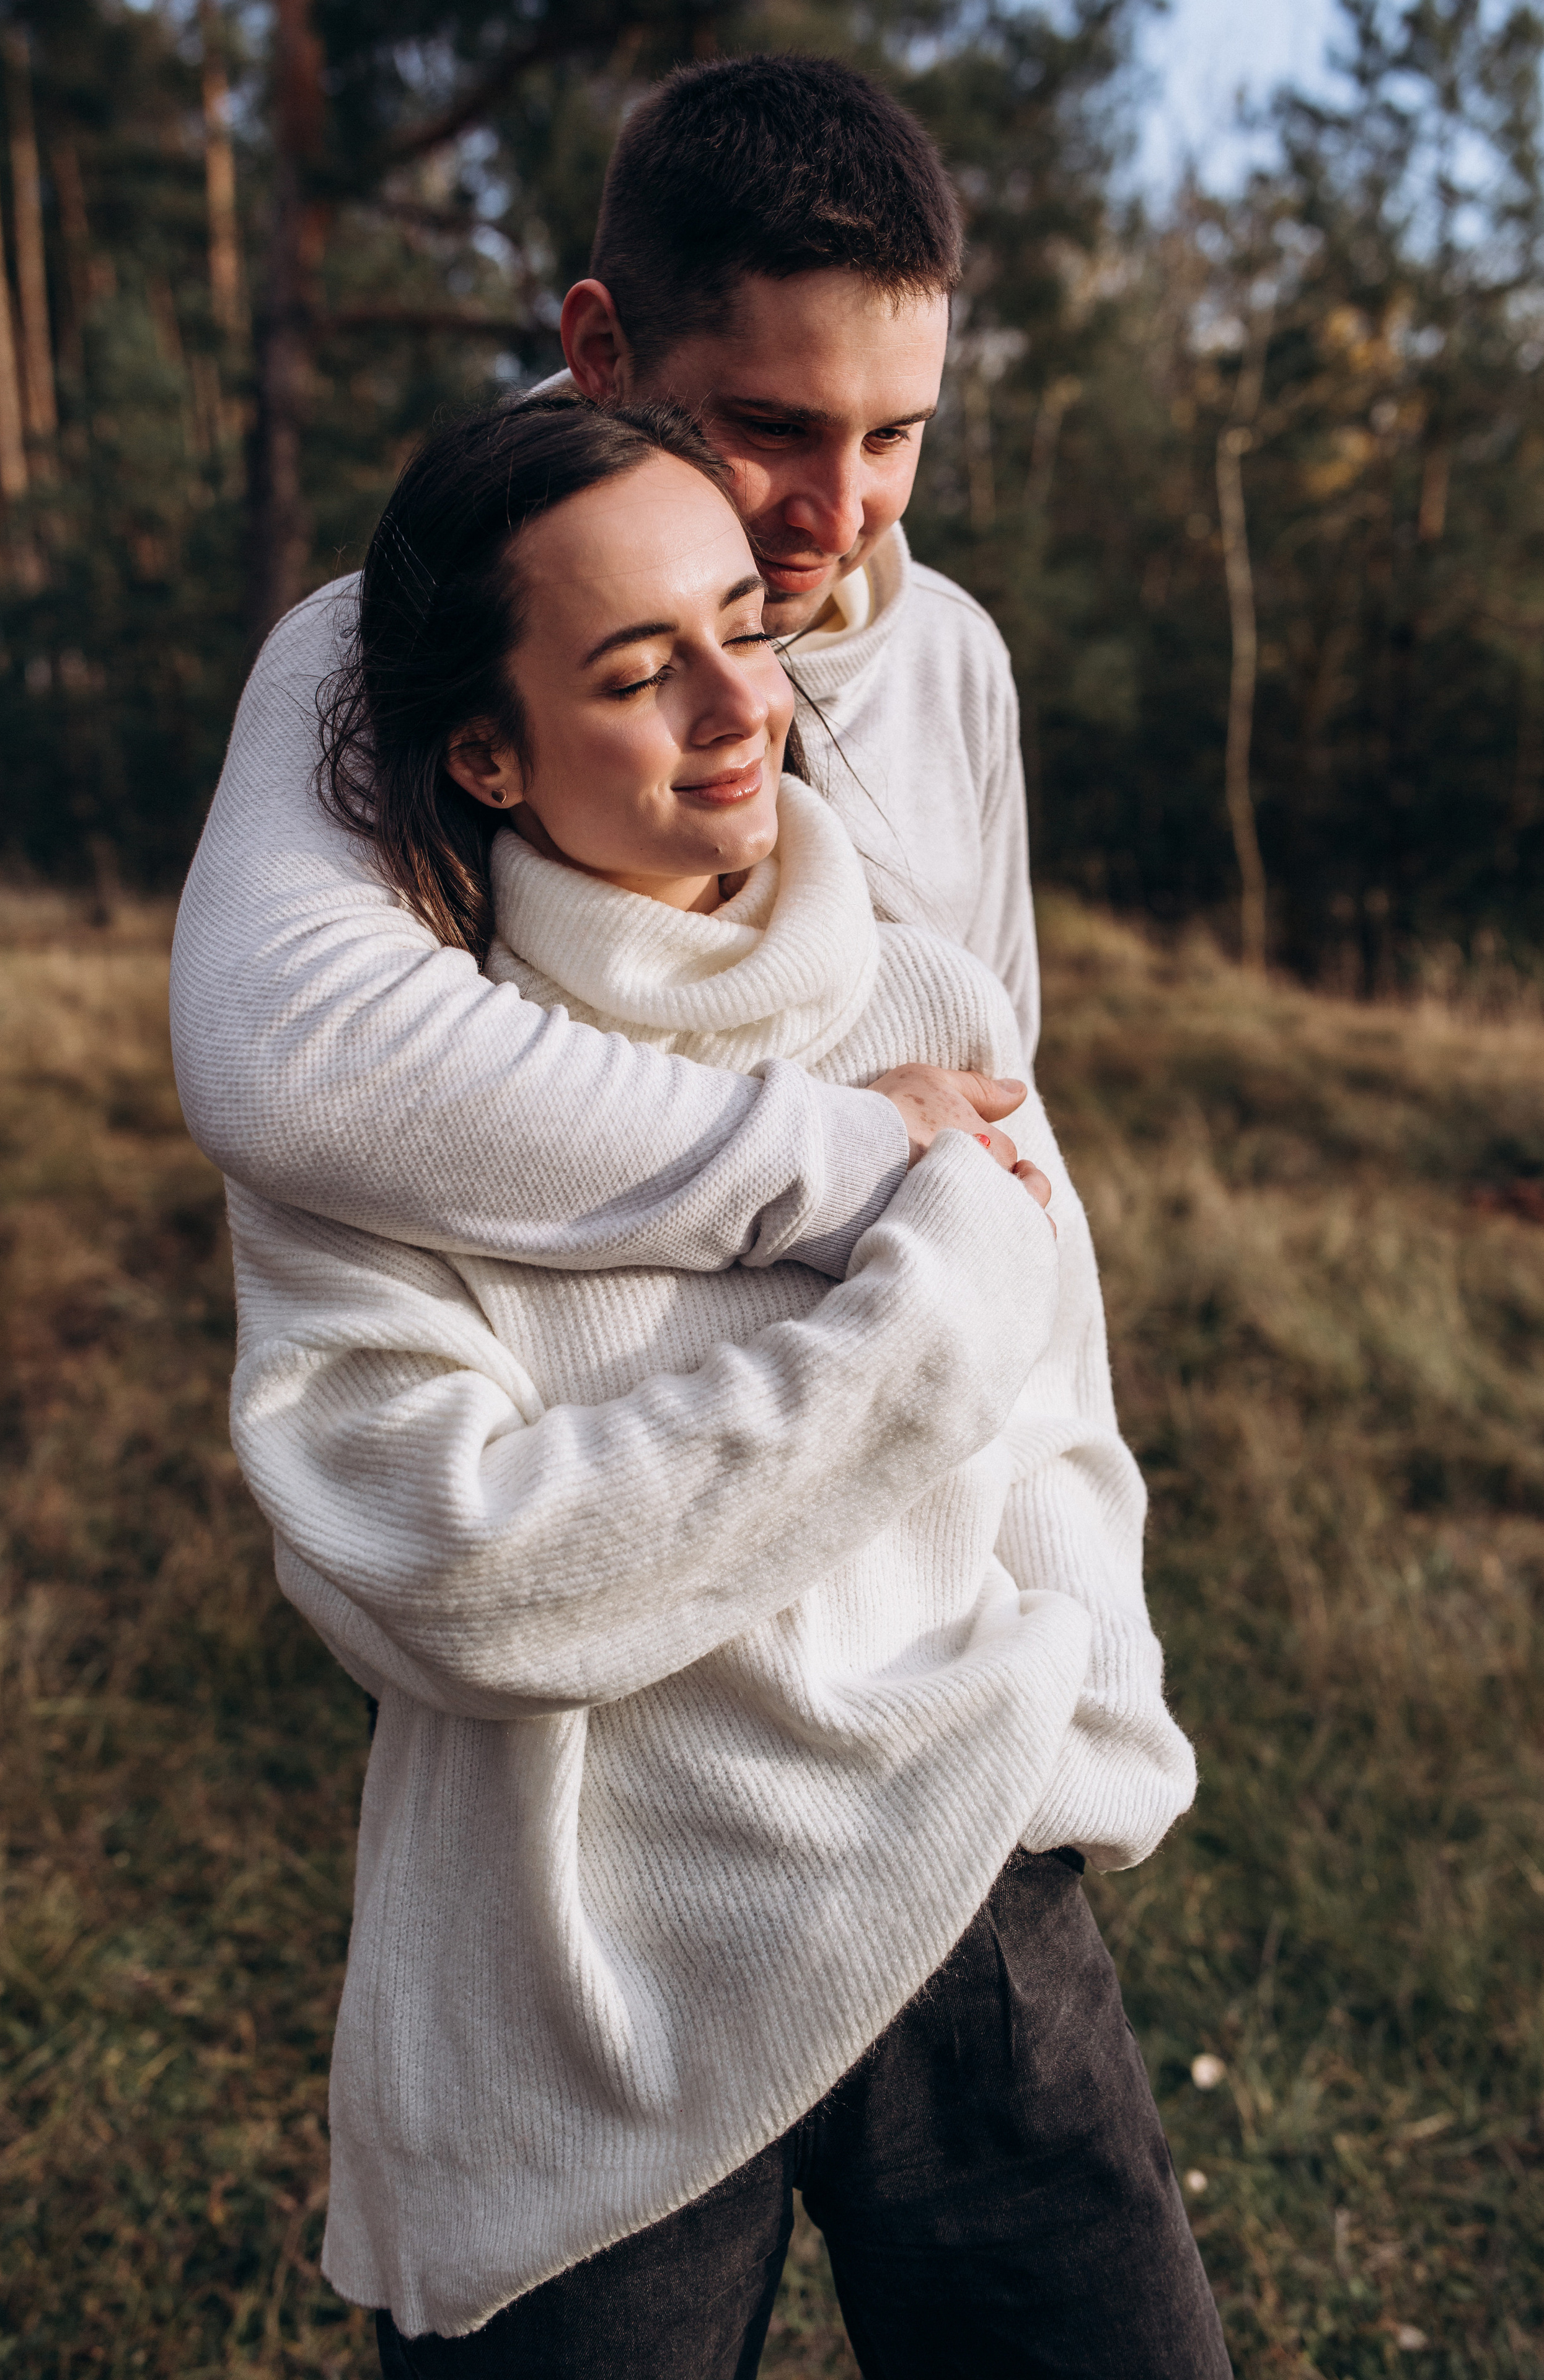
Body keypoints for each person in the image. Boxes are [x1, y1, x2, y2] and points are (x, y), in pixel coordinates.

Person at [224, 390, 1225, 2376]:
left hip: (973, 1889)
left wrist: (1077, 1748)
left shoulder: (926, 1000)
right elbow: (453, 1569)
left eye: (745, 631)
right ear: (488, 751)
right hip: (582, 1987)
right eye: (634, 673)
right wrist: (925, 1311)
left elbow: (1057, 1426)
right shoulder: (394, 1112)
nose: (736, 707)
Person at [171, 55, 1041, 1304]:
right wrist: (850, 1156)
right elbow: (287, 1059)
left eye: (894, 435)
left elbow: (1003, 1088)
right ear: (599, 350)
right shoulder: (378, 645)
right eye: (774, 427)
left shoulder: (954, 655)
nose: (838, 512)